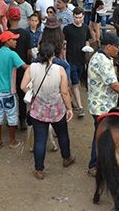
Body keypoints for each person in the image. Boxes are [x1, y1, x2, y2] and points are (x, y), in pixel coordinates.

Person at [21, 43, 75, 180]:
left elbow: (23, 87)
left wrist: (33, 94)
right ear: (53, 55)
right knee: (63, 134)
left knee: (40, 140)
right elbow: (64, 92)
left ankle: (39, 169)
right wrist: (69, 108)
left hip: (38, 109)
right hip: (57, 109)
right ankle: (66, 158)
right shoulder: (60, 70)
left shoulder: (32, 67)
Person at [86, 33, 119, 176]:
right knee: (102, 136)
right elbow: (113, 84)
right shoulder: (102, 60)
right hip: (101, 105)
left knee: (101, 135)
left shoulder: (106, 58)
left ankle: (98, 163)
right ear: (108, 46)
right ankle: (95, 165)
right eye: (116, 46)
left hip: (104, 103)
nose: (118, 49)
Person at [0, 31, 29, 149]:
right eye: (13, 39)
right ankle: (12, 142)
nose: (16, 41)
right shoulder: (12, 54)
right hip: (7, 90)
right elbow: (25, 67)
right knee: (12, 116)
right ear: (7, 41)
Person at [62, 8, 89, 117]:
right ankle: (80, 107)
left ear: (83, 17)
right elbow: (64, 45)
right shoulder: (67, 29)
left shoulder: (85, 28)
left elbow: (87, 40)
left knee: (75, 83)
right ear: (73, 17)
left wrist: (88, 47)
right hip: (70, 60)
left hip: (81, 60)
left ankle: (72, 100)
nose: (78, 20)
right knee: (75, 84)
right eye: (76, 17)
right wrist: (64, 59)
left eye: (80, 17)